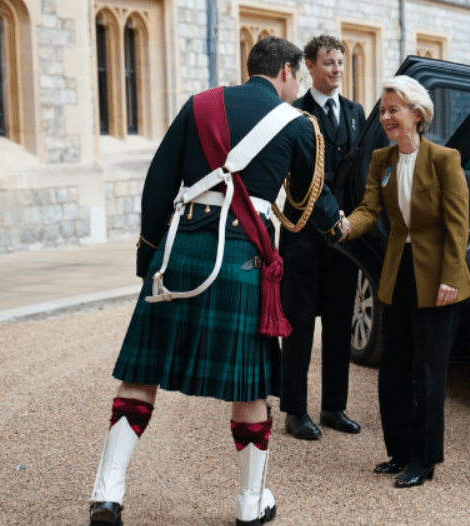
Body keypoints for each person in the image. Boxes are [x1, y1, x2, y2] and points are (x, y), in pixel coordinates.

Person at [87, 36, 347, 526]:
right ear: (288, 73)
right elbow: (313, 201)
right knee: (250, 389)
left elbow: (159, 183)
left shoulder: (200, 104)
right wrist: (340, 226)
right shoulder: (297, 125)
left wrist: (149, 257)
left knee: (140, 377)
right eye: (298, 79)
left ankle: (107, 494)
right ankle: (251, 505)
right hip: (243, 257)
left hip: (180, 250)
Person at [343, 76, 470, 488]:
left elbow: (458, 225)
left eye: (393, 110)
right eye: (382, 111)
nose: (385, 117)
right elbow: (369, 210)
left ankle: (423, 459)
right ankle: (398, 451)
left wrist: (452, 277)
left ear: (417, 115)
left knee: (428, 373)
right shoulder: (382, 160)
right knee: (393, 369)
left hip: (438, 278)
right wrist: (346, 225)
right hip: (397, 275)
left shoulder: (443, 159)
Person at [279, 35, 366, 440]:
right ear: (310, 67)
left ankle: (334, 407)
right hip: (303, 233)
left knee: (338, 322)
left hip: (342, 236)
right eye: (329, 63)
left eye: (340, 63)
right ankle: (295, 411)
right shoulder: (295, 113)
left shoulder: (355, 113)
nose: (336, 70)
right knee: (298, 324)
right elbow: (302, 174)